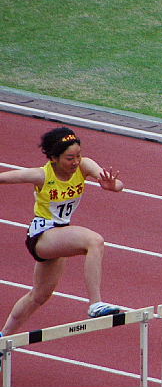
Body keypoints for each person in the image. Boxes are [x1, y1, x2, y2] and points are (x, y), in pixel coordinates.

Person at [0, 127, 123, 342]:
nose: (75, 162)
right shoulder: (41, 175)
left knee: (39, 296)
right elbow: (4, 178)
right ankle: (95, 303)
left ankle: (2, 338)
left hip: (60, 235)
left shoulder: (84, 166)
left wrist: (113, 186)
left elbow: (117, 184)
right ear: (54, 158)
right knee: (94, 241)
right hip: (42, 235)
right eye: (69, 158)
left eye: (78, 156)